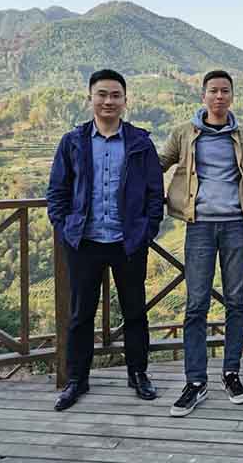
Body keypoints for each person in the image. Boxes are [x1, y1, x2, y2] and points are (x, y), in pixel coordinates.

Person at [47, 69, 164, 411]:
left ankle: (138, 374)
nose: (108, 101)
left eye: (115, 95)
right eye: (102, 94)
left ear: (125, 101)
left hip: (128, 242)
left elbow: (154, 192)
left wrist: (146, 230)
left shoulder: (140, 142)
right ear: (90, 98)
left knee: (135, 312)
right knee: (81, 314)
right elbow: (57, 191)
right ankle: (77, 379)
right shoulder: (73, 141)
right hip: (85, 242)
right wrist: (65, 228)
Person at [158, 70, 243, 417]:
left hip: (236, 224)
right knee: (196, 304)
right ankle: (195, 381)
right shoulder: (184, 133)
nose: (219, 96)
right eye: (213, 91)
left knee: (236, 301)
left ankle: (231, 373)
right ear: (203, 95)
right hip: (199, 225)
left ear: (232, 96)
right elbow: (157, 164)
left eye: (225, 91)